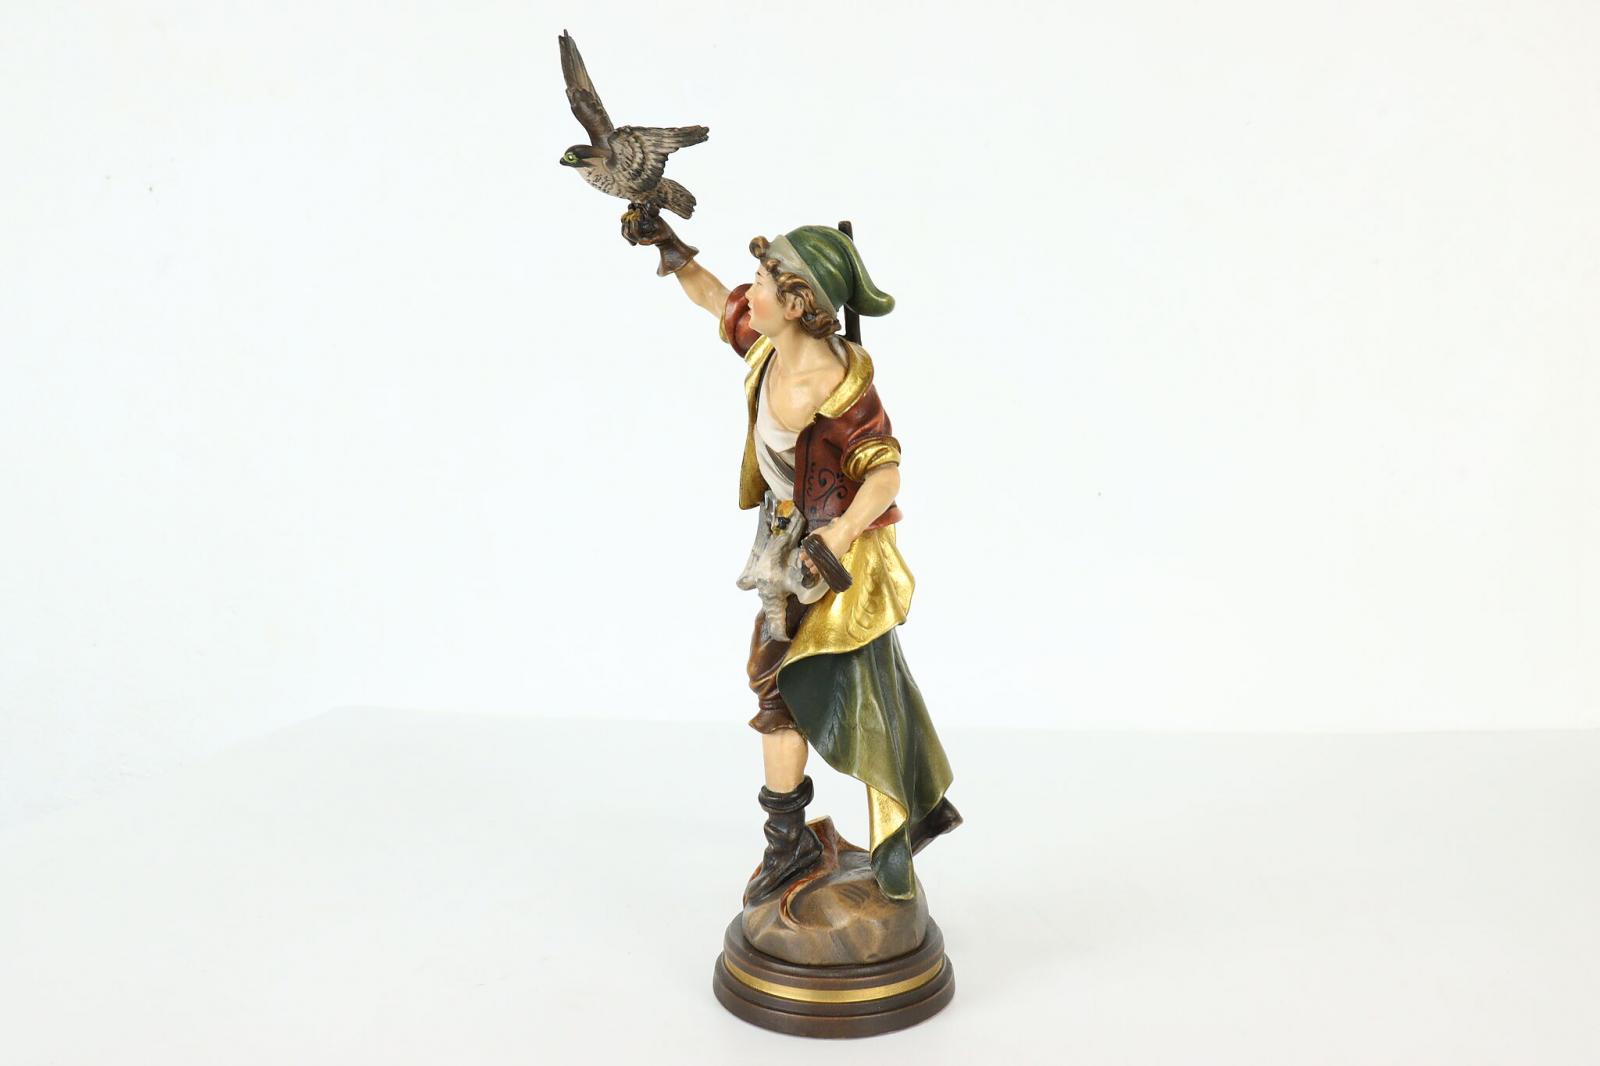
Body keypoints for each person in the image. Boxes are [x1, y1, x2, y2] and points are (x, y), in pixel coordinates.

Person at [622, 208, 961, 903]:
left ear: (799, 302)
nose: (748, 293)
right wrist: (668, 244)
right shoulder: (767, 349)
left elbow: (885, 474)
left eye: (762, 282)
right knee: (773, 687)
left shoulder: (838, 390)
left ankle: (863, 835)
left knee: (854, 697)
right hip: (781, 547)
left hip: (835, 564)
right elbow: (711, 296)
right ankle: (787, 842)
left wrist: (838, 536)